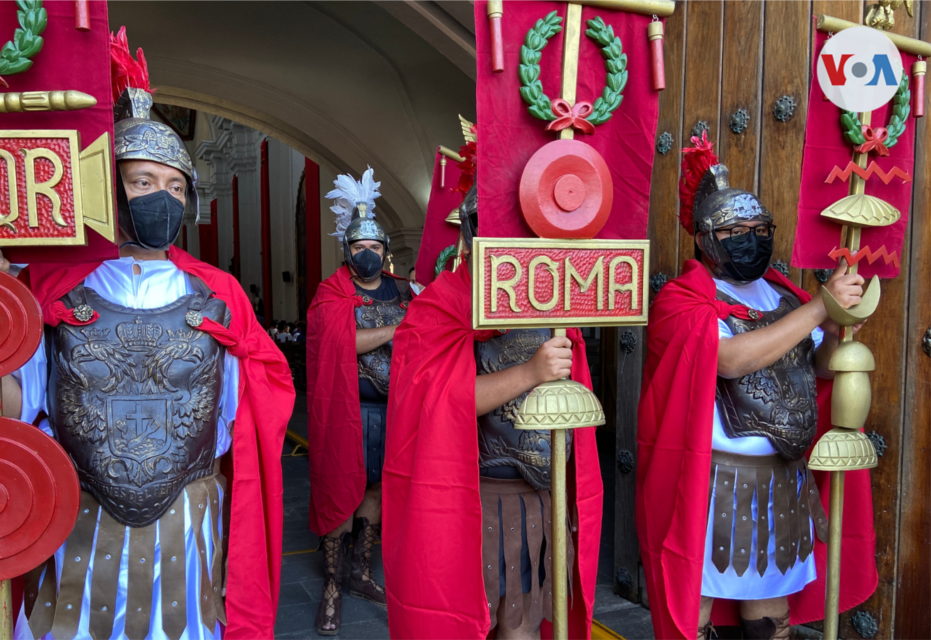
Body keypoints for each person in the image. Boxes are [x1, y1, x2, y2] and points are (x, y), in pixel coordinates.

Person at [0, 30, 295, 640]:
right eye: (143, 181)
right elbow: (14, 413)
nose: (162, 197)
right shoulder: (47, 289)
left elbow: (247, 414)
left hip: (186, 519)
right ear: (108, 190)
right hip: (75, 521)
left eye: (176, 186)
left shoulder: (219, 296)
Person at [636, 133, 878, 640]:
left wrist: (837, 331)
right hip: (711, 484)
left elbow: (821, 371)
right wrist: (820, 307)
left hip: (780, 481)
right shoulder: (683, 300)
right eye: (734, 230)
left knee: (770, 623)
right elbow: (729, 360)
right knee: (693, 615)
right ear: (705, 238)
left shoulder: (785, 294)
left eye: (759, 228)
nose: (750, 238)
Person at [382, 180, 604, 640]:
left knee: (521, 627)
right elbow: (433, 405)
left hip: (540, 499)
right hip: (474, 502)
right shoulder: (440, 306)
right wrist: (529, 373)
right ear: (470, 233)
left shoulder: (555, 299)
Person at [306, 168, 412, 635]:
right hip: (348, 411)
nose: (365, 254)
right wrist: (393, 330)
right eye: (357, 248)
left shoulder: (405, 291)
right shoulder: (333, 292)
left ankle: (360, 571)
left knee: (377, 492)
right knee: (340, 495)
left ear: (385, 251)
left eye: (373, 248)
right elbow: (339, 342)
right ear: (347, 253)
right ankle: (332, 584)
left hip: (395, 410)